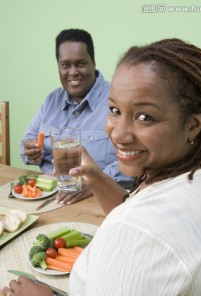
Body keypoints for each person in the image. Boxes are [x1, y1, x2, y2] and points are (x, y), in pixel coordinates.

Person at [2, 38, 201, 296]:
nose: (119, 133)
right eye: (114, 110)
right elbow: (143, 220)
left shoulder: (139, 235)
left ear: (193, 124)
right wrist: (98, 178)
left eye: (145, 117)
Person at [20, 28, 132, 204]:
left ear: (93, 62)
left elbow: (135, 159)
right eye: (65, 65)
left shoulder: (118, 99)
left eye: (80, 63)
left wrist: (95, 183)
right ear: (58, 66)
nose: (73, 72)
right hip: (48, 196)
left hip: (98, 199)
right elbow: (27, 142)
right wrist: (31, 151)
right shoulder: (51, 100)